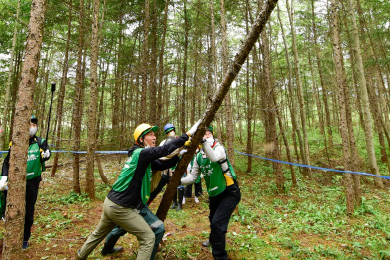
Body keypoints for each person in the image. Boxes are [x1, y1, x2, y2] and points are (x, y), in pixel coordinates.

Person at [76, 121, 200, 260]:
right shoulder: (142, 153)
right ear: (141, 139)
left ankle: (80, 256)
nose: (154, 138)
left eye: (154, 135)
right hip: (121, 207)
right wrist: (187, 135)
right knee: (148, 238)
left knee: (97, 234)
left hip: (110, 203)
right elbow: (164, 150)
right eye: (150, 135)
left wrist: (178, 156)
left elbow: (160, 164)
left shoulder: (139, 155)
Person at [181, 125, 241, 260]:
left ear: (212, 135)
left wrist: (202, 142)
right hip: (214, 194)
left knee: (217, 223)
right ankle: (213, 239)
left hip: (229, 191)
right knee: (212, 219)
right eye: (203, 134)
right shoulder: (198, 157)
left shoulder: (218, 148)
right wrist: (178, 181)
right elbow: (192, 177)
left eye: (208, 134)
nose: (205, 136)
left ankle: (220, 256)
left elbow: (214, 158)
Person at [0, 115, 51, 249]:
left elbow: (47, 154)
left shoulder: (40, 141)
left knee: (28, 211)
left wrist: (46, 154)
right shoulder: (15, 141)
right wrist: (4, 177)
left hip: (32, 182)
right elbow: (7, 161)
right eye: (29, 123)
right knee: (11, 210)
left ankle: (25, 238)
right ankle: (10, 236)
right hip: (15, 181)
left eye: (34, 124)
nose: (32, 126)